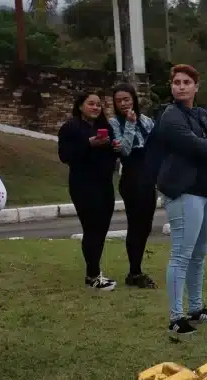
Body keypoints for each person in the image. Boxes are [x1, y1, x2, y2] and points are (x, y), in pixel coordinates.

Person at [157, 64, 207, 336]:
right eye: (176, 81)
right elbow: (195, 145)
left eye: (187, 82)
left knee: (199, 254)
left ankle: (196, 307)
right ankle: (176, 316)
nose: (181, 86)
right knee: (181, 254)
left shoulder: (201, 114)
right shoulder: (170, 116)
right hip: (184, 190)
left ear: (196, 87)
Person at [58, 91, 119, 290]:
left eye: (98, 105)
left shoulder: (105, 127)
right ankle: (93, 276)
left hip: (104, 184)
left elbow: (111, 156)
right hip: (83, 184)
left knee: (101, 229)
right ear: (80, 106)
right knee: (91, 228)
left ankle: (93, 272)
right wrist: (89, 144)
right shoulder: (70, 128)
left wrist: (113, 146)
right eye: (91, 104)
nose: (95, 108)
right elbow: (66, 156)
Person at [108, 83, 157, 289]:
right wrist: (128, 125)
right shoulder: (113, 123)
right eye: (119, 101)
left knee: (146, 225)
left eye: (126, 99)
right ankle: (134, 271)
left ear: (133, 99)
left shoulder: (146, 120)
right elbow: (125, 150)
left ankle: (137, 268)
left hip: (148, 176)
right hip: (131, 176)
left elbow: (155, 144)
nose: (123, 104)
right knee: (135, 224)